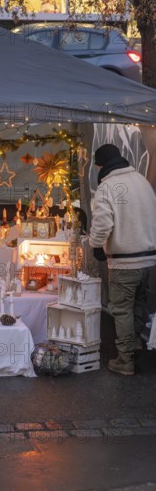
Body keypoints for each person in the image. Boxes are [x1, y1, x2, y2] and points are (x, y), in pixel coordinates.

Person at [89, 144, 156, 376]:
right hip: (147, 259)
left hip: (124, 261)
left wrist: (96, 245)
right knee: (138, 304)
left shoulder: (107, 187)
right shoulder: (141, 182)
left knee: (122, 309)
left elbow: (102, 223)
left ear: (100, 165)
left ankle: (125, 359)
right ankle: (135, 346)